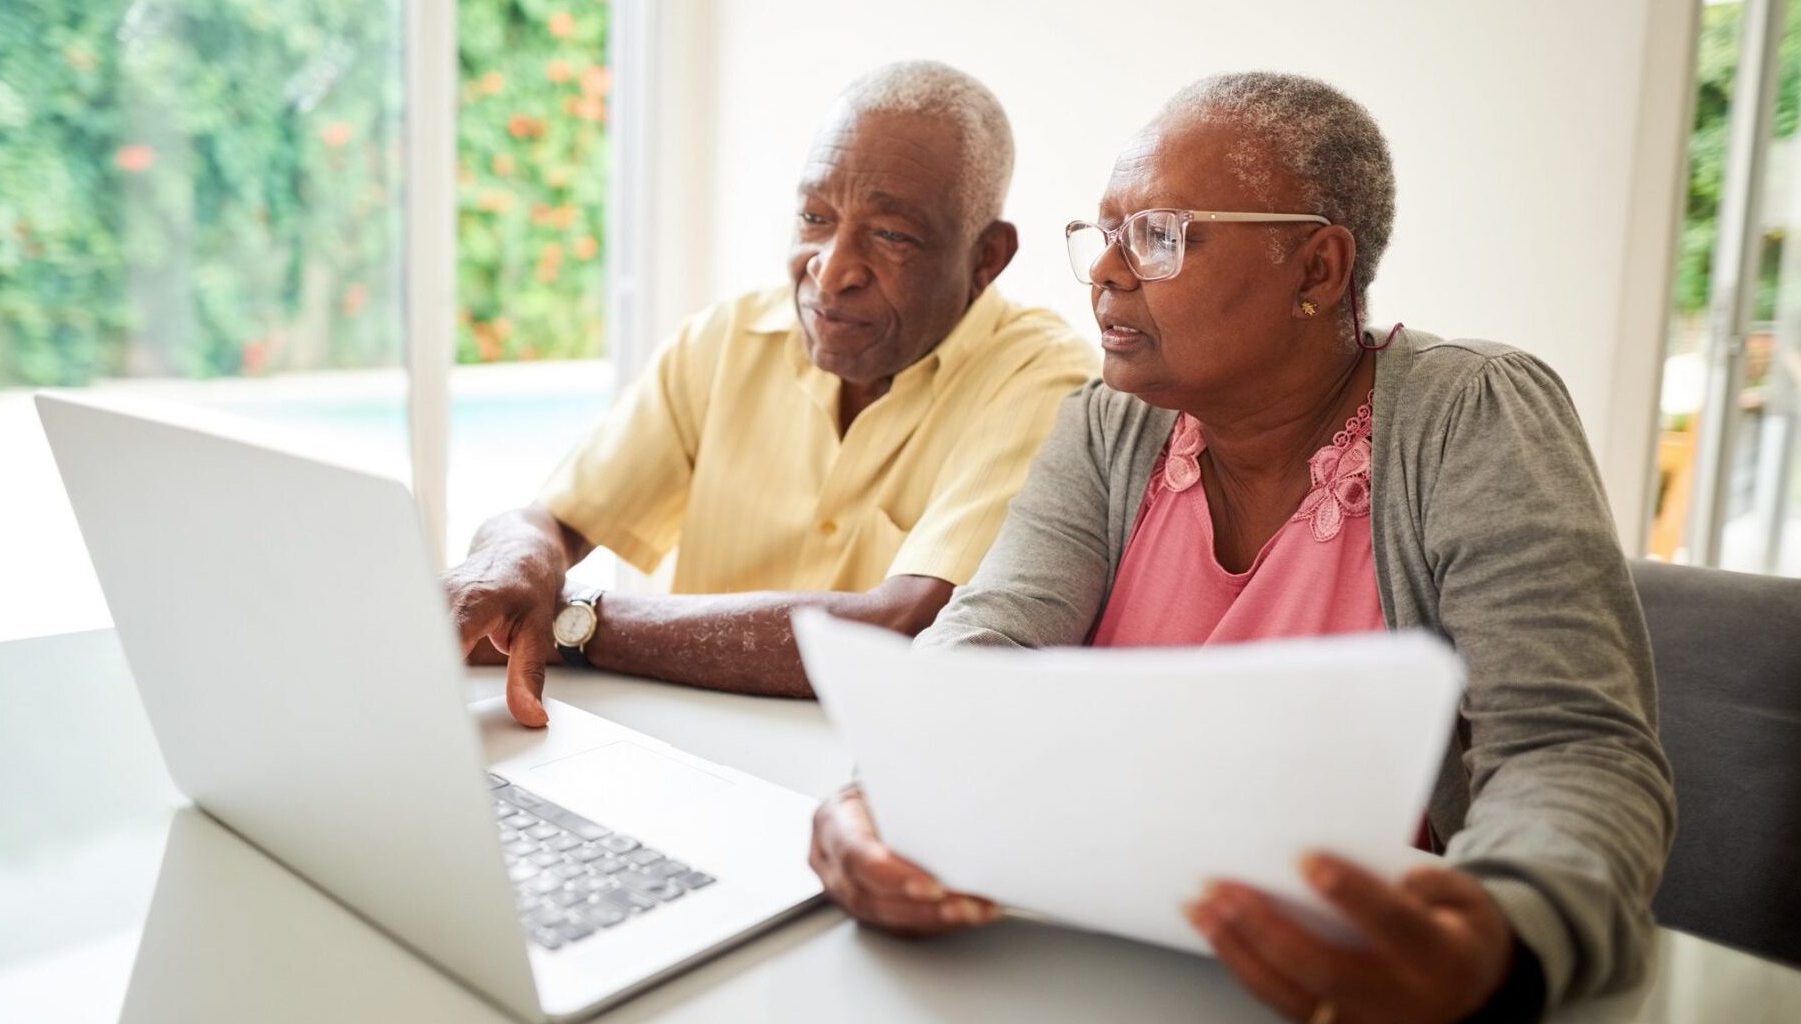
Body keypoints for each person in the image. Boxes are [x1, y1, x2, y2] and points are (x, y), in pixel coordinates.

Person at [809, 72, 1674, 1024]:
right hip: (1100, 965)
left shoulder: (1472, 416)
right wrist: (875, 798)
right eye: (1104, 235)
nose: (1105, 272)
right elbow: (987, 643)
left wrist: (1497, 933)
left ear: (1317, 270)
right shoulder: (1107, 427)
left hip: (1351, 984)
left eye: (1159, 236)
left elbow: (1572, 748)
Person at [445, 61, 1097, 728]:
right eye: (815, 217)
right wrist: (515, 563)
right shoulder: (729, 339)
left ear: (986, 258)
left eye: (892, 235)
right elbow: (551, 521)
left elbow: (909, 626)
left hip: (863, 782)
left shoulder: (1048, 384)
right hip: (681, 745)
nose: (831, 269)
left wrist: (579, 623)